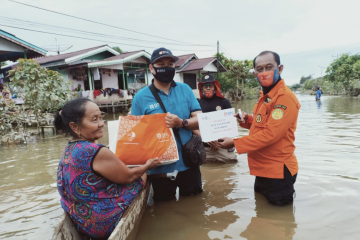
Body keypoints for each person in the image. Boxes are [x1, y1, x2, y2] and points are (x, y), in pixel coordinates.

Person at [54, 98, 161, 239]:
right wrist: (147, 165)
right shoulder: (95, 150)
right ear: (75, 127)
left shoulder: (69, 149)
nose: (101, 124)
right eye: (94, 120)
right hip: (102, 224)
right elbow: (129, 176)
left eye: (100, 118)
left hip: (81, 221)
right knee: (141, 175)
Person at [219, 51, 301, 206]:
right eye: (259, 69)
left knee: (278, 223)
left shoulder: (284, 98)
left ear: (280, 68)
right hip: (263, 169)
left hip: (278, 171)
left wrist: (235, 143)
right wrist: (246, 119)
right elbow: (262, 124)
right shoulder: (265, 97)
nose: (264, 73)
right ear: (254, 73)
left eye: (269, 67)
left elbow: (271, 134)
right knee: (262, 218)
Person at [131, 47, 203, 202]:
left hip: (189, 163)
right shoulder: (140, 97)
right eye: (161, 64)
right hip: (159, 168)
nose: (167, 67)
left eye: (170, 64)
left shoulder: (185, 90)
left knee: (195, 205)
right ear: (151, 68)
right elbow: (135, 134)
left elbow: (201, 120)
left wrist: (181, 122)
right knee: (163, 208)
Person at [196, 73, 237, 163]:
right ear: (201, 88)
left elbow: (231, 125)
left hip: (223, 145)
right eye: (205, 85)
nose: (208, 87)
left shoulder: (224, 102)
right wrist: (207, 138)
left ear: (215, 87)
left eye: (210, 85)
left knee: (231, 164)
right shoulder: (196, 104)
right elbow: (193, 127)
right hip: (204, 147)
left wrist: (218, 142)